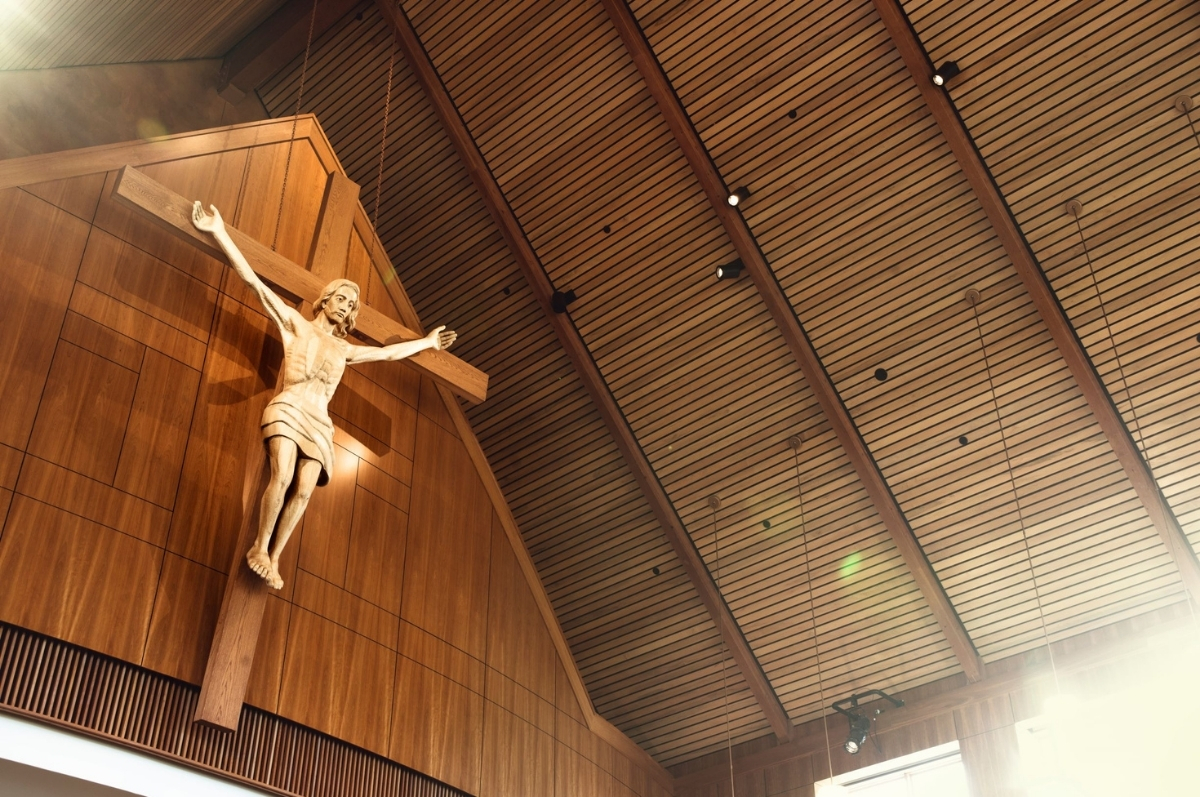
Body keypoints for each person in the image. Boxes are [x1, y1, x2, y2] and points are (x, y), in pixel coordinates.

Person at [192, 201, 456, 589]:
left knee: (303, 492)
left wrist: (427, 342)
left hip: (319, 423)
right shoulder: (296, 325)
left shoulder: (344, 350)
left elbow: (387, 353)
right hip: (289, 407)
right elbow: (254, 283)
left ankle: (275, 557)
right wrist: (219, 232)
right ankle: (259, 547)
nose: (347, 307)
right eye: (343, 299)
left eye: (352, 305)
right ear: (326, 299)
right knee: (281, 477)